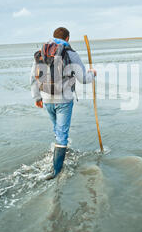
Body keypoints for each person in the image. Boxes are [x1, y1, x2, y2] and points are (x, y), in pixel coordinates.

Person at [30, 27, 97, 179]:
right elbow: (84, 79)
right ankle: (56, 171)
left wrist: (37, 98)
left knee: (57, 129)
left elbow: (33, 77)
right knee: (62, 134)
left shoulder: (41, 52)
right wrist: (93, 73)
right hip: (64, 100)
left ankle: (58, 155)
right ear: (67, 39)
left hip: (46, 98)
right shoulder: (71, 53)